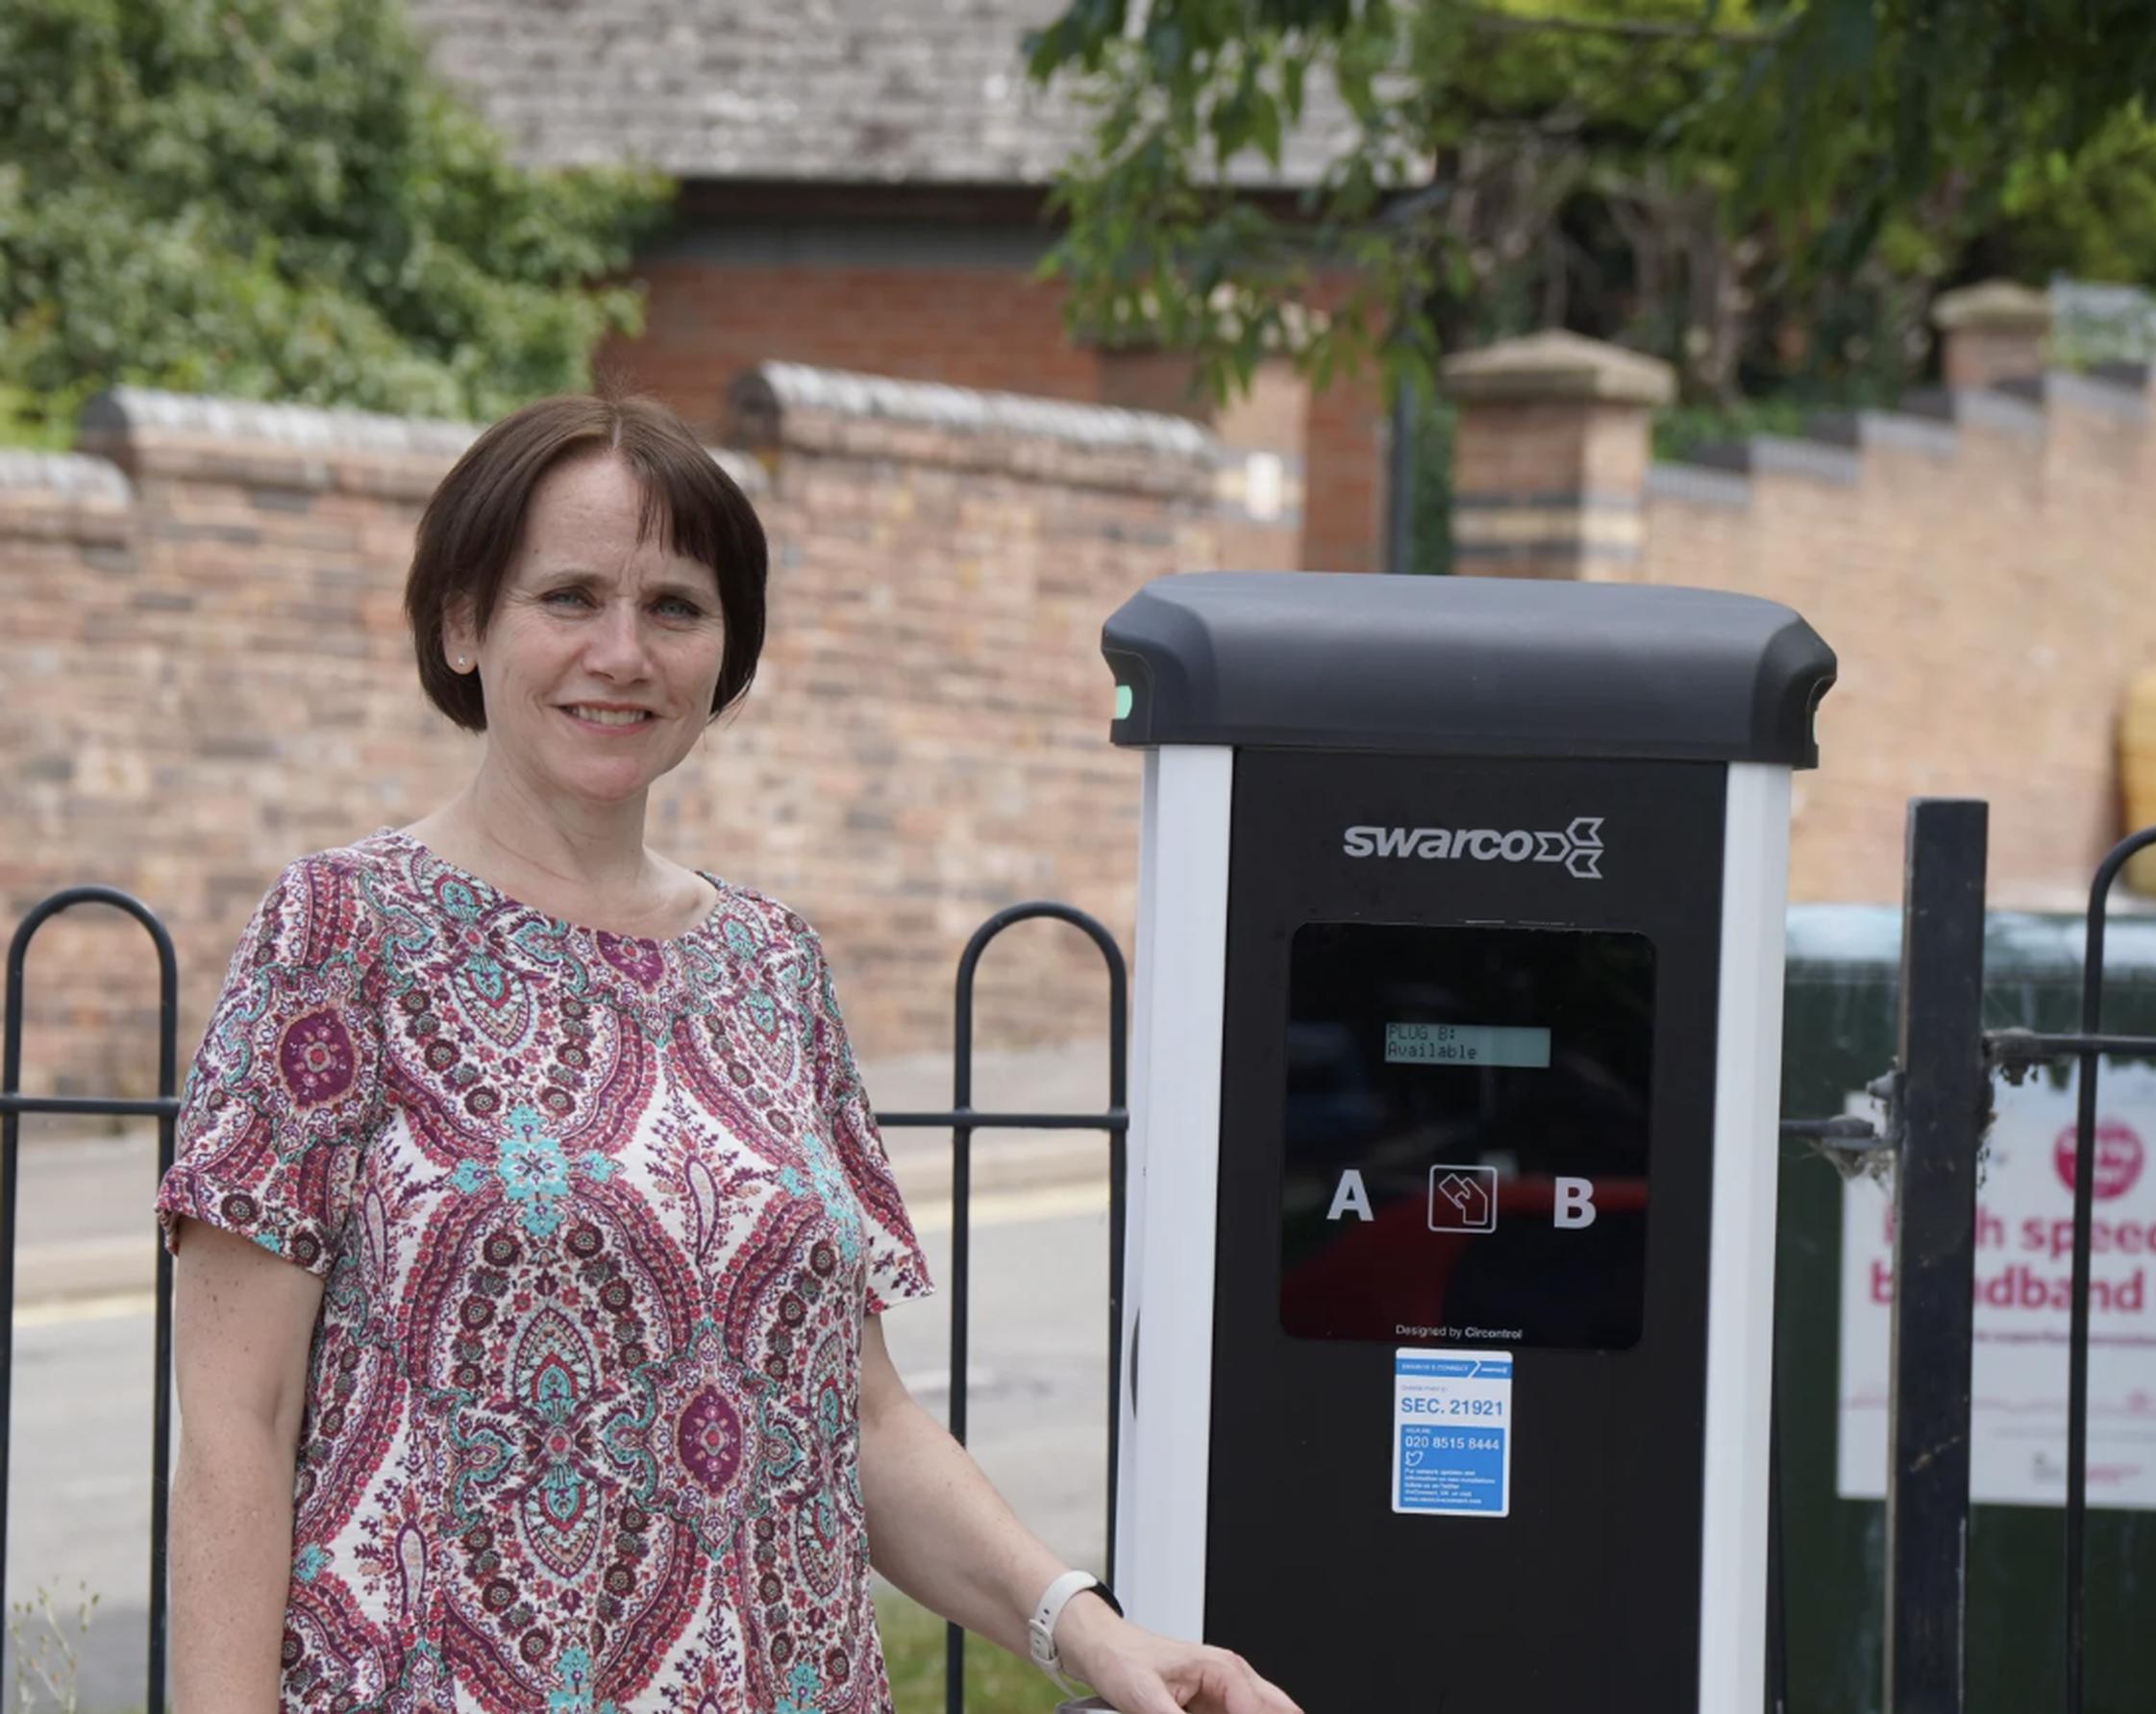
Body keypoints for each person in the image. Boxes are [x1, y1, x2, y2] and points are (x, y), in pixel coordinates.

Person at [155, 391, 1302, 1714]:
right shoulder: (345, 932)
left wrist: (1091, 1635)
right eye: (569, 597)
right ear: (463, 623)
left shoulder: (772, 966)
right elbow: (236, 1426)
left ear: (726, 656)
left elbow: (856, 1426)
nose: (622, 653)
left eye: (676, 609)